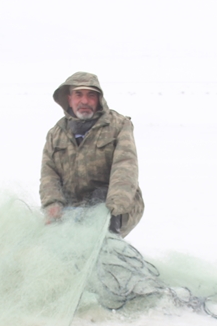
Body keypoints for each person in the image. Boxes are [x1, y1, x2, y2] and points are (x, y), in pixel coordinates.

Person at [40, 72, 144, 237]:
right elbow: (49, 174)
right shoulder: (55, 134)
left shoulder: (119, 125)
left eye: (91, 95)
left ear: (99, 99)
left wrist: (115, 208)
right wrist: (52, 204)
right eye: (78, 95)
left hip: (114, 205)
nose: (85, 101)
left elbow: (125, 167)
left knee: (100, 200)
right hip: (73, 207)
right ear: (69, 99)